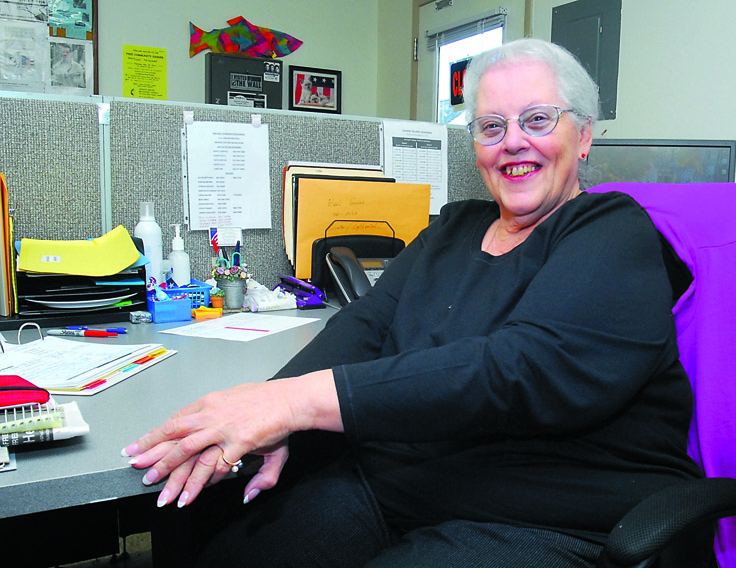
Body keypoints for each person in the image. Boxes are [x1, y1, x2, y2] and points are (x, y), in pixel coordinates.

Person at [123, 38, 702, 567]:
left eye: (537, 119)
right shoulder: (453, 228)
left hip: (547, 515)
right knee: (228, 549)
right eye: (491, 126)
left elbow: (516, 370)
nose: (513, 142)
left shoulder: (610, 230)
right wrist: (269, 411)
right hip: (404, 485)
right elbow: (364, 326)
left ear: (585, 135)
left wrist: (295, 404)